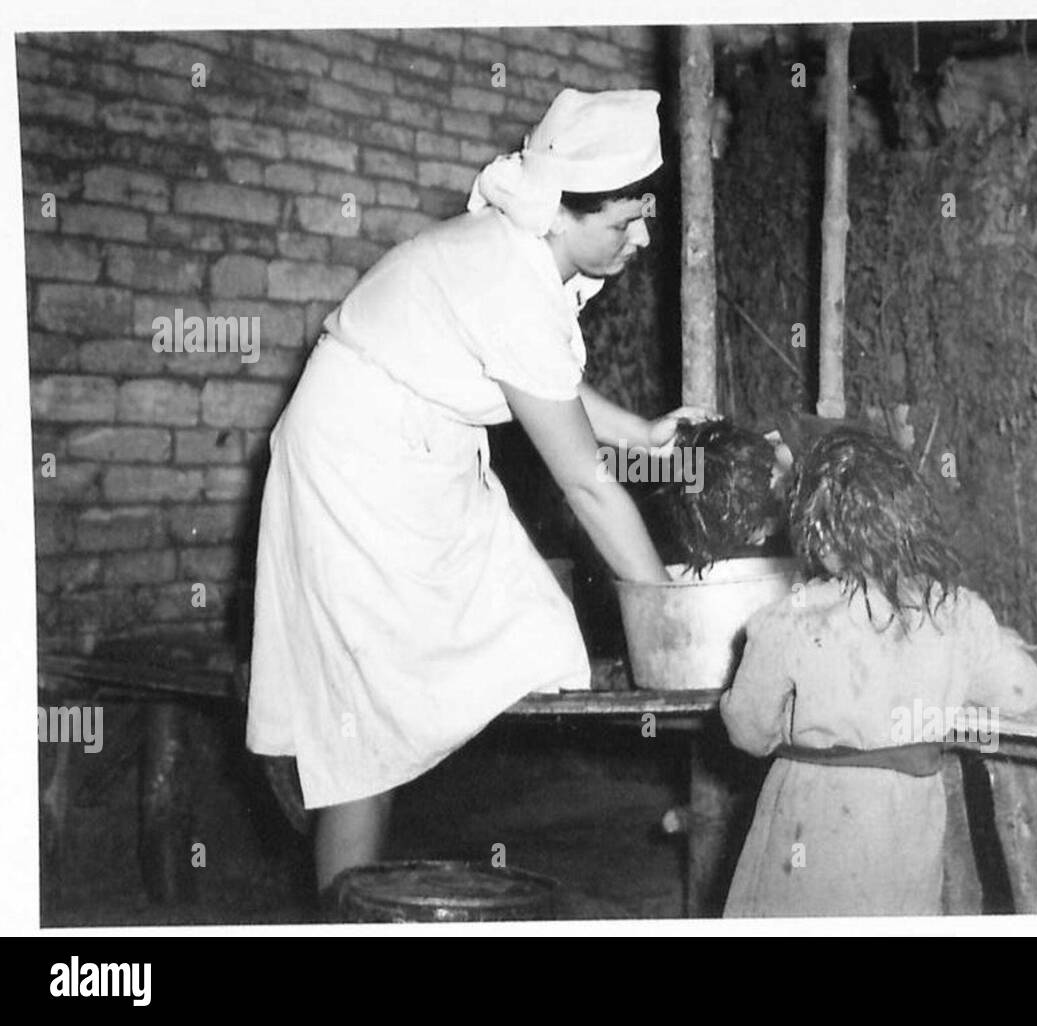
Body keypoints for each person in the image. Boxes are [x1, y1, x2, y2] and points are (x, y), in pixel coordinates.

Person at [246, 88, 701, 895]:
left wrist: (641, 433)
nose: (641, 236)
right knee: (361, 728)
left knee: (526, 632)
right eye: (623, 220)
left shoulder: (527, 253)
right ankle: (349, 909)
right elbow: (587, 488)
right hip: (357, 466)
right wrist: (670, 615)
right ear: (560, 211)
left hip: (415, 452)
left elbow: (542, 387)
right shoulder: (510, 276)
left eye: (645, 213)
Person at [720, 427, 1037, 917]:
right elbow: (1021, 693)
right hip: (903, 825)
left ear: (819, 534)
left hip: (805, 822)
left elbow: (745, 731)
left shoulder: (790, 617)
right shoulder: (955, 612)